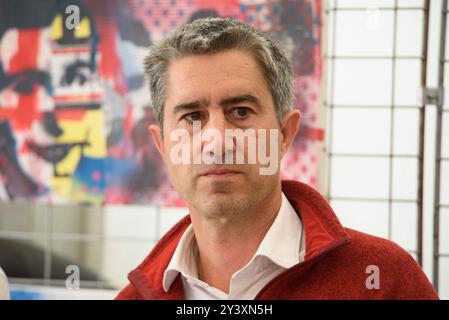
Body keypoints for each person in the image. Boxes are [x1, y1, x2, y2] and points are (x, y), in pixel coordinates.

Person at [116, 18, 439, 300]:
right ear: (161, 145)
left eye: (240, 112)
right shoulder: (134, 297)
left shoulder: (381, 279)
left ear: (285, 133)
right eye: (191, 116)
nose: (216, 140)